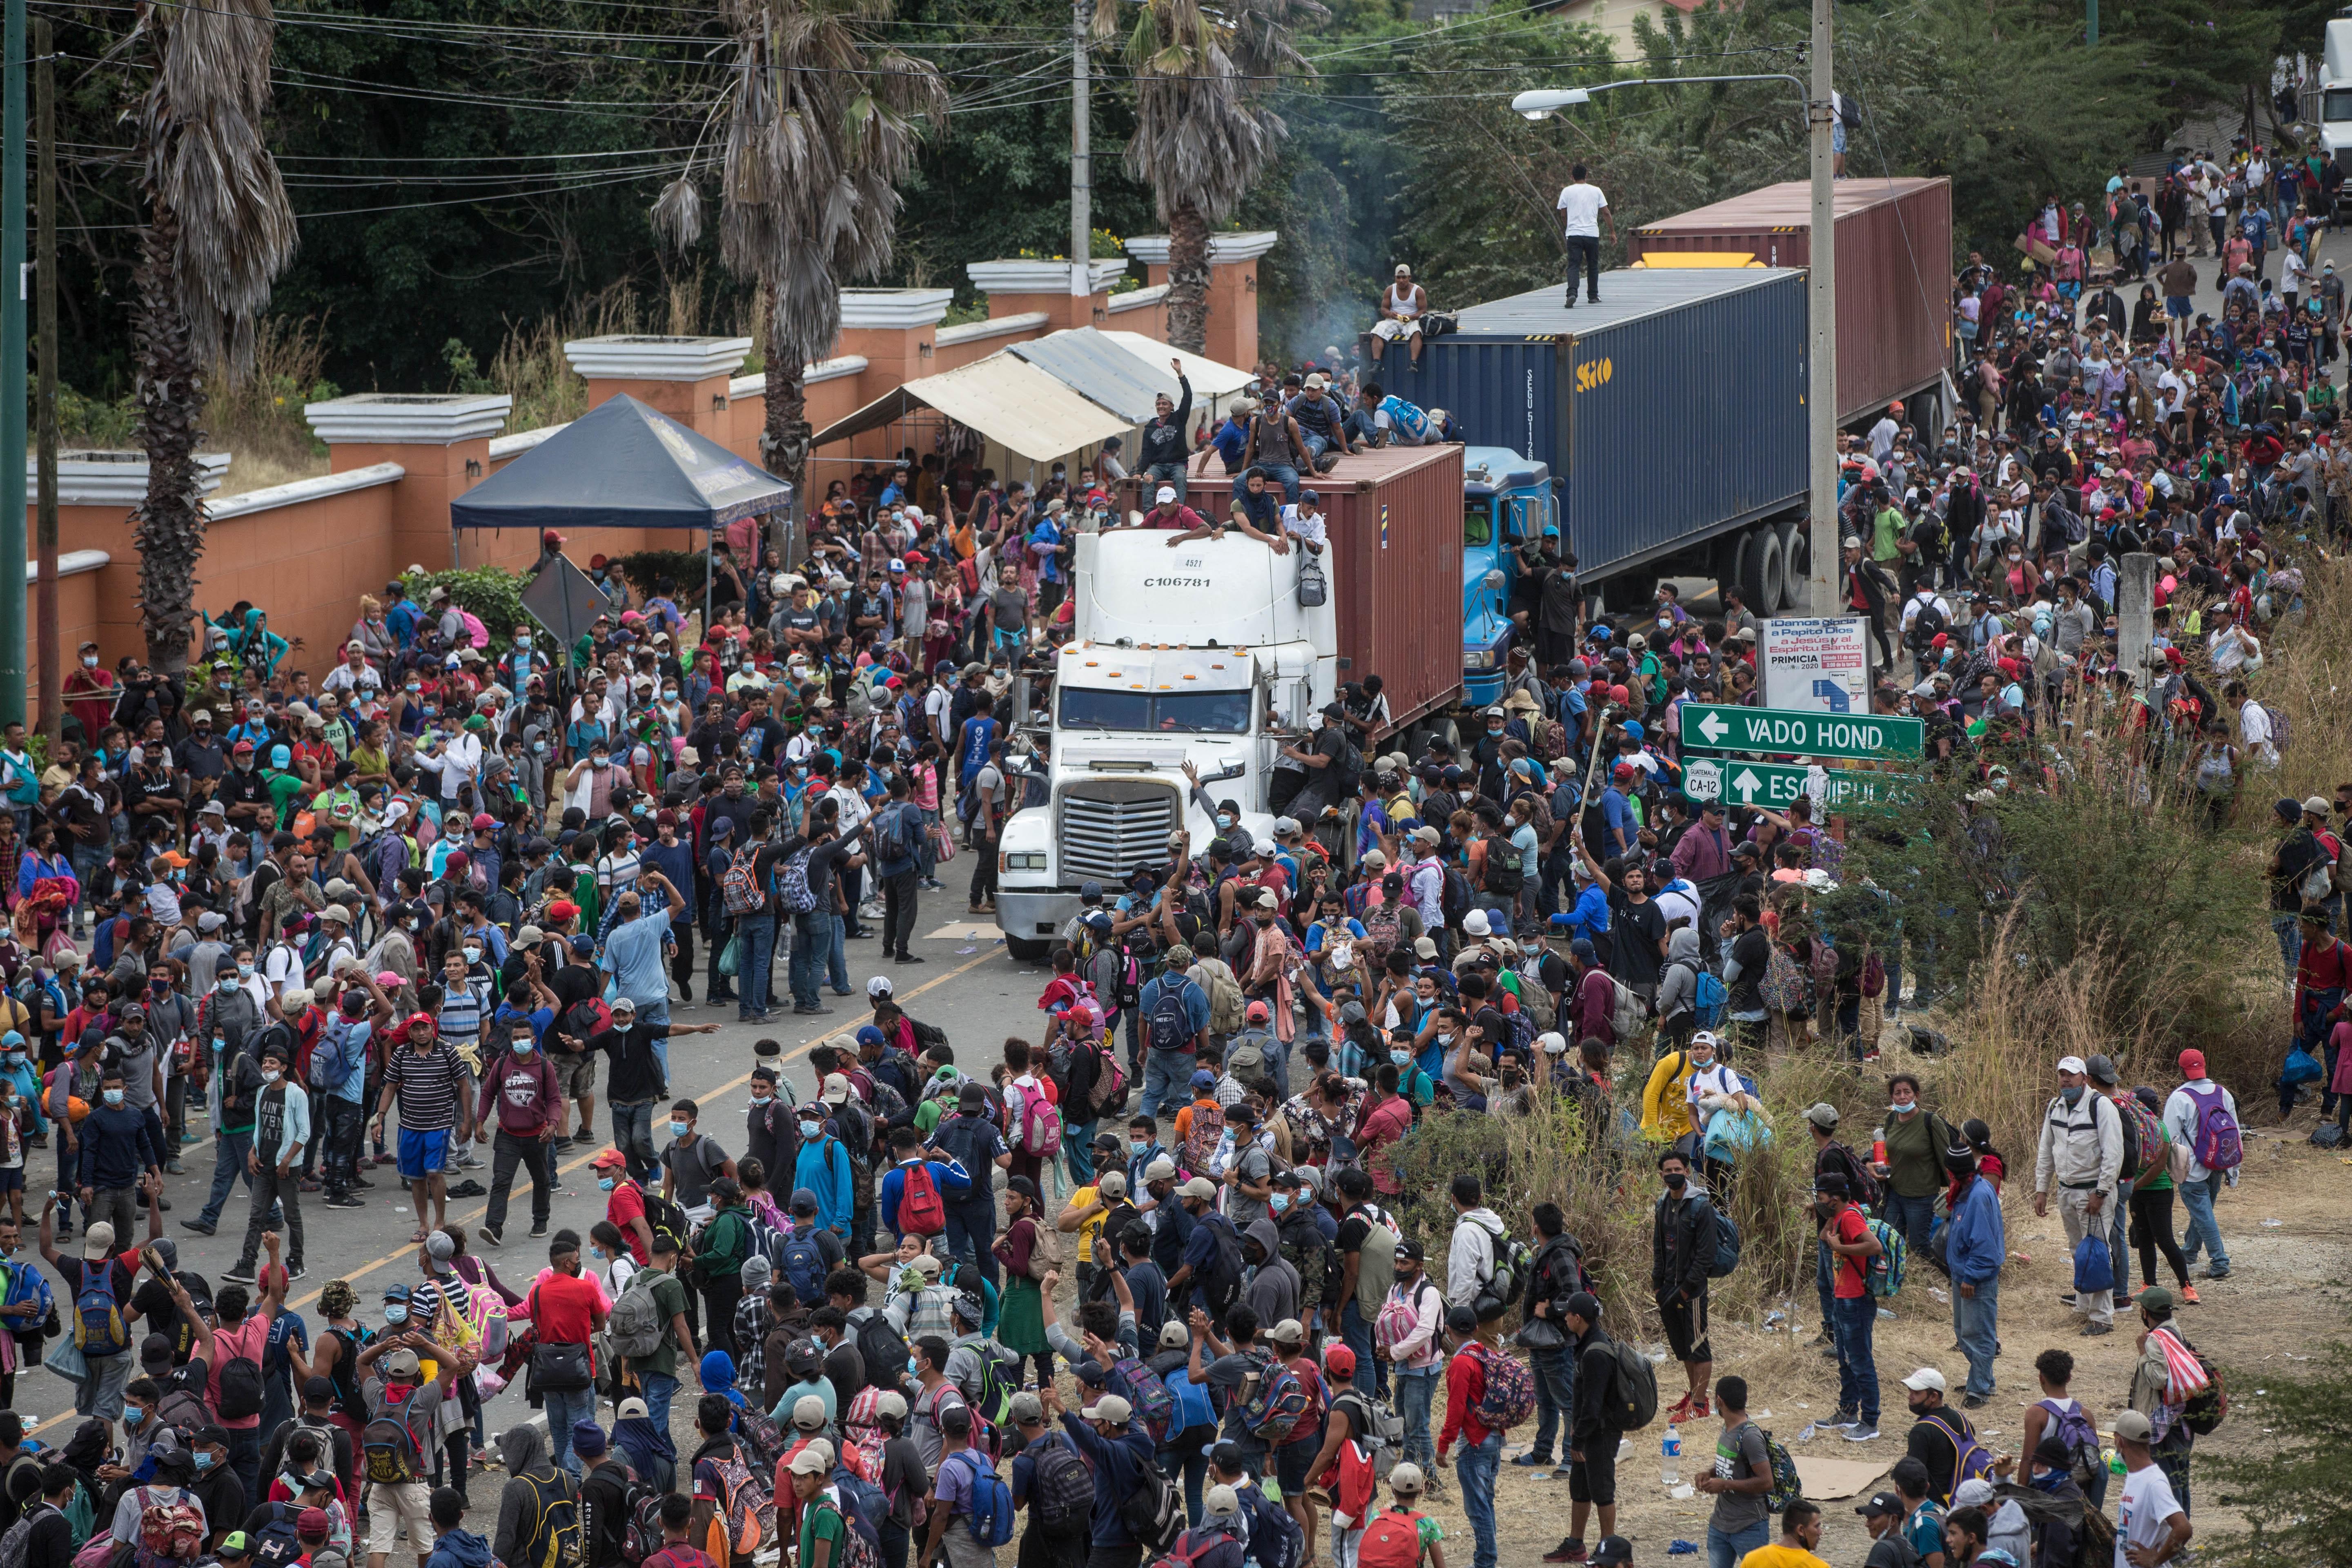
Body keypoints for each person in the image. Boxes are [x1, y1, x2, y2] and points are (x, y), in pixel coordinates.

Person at [2031, 1054, 2124, 1336]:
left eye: (2071, 1075)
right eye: (2062, 1074)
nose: (2065, 1079)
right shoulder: (2055, 1107)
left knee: (2096, 1252)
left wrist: (2101, 1192)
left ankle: (2102, 1318)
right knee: (2078, 1251)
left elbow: (2114, 1154)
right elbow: (2046, 1150)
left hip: (2093, 1192)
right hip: (2067, 1191)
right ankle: (2083, 1308)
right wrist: (2042, 1189)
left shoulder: (2101, 1106)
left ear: (2085, 1078)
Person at [2160, 1049, 2236, 1283]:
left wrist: (2168, 1170)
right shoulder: (2224, 1094)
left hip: (2191, 1167)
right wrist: (2234, 1170)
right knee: (2202, 1212)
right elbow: (2235, 1134)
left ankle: (2220, 1262)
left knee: (2202, 1213)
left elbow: (2169, 1138)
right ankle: (2190, 1253)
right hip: (2219, 1162)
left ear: (2182, 1070)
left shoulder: (2179, 1098)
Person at [1651, 1149, 1715, 1421]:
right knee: (1684, 1347)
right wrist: (1657, 1285)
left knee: (1699, 1346)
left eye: (1679, 1170)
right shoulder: (1662, 1204)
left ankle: (1700, 1406)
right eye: (1669, 1171)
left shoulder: (1701, 1206)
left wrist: (1688, 1288)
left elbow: (1706, 1253)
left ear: (1687, 1172)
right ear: (1662, 1175)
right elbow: (1658, 1246)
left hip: (1693, 1289)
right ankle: (1693, 1395)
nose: (1674, 1175)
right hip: (1668, 1287)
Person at [1944, 1138, 2005, 1408]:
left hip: (1975, 1277)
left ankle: (1979, 1390)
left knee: (1978, 1334)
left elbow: (1983, 1243)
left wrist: (1972, 1276)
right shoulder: (1965, 1191)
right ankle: (1981, 1379)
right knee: (1963, 1331)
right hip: (1963, 1274)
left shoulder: (1978, 1196)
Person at [2110, 1410, 2191, 1567]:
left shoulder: (2154, 1483)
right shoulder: (2135, 1475)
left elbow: (2184, 1528)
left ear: (2121, 1442)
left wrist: (2156, 1559)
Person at [1556, 164, 1614, 307]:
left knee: (1573, 265)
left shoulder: (1567, 191)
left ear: (1572, 177)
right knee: (1593, 265)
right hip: (1592, 234)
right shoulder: (1596, 191)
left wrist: (1568, 227)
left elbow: (1563, 214)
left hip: (1574, 234)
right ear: (1586, 175)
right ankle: (1593, 296)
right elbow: (1606, 213)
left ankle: (1572, 293)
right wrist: (1612, 231)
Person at [1735, 1501, 1829, 1568]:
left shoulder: (1752, 1560)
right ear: (1801, 1530)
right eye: (1817, 1527)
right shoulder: (1818, 1566)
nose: (1820, 1532)